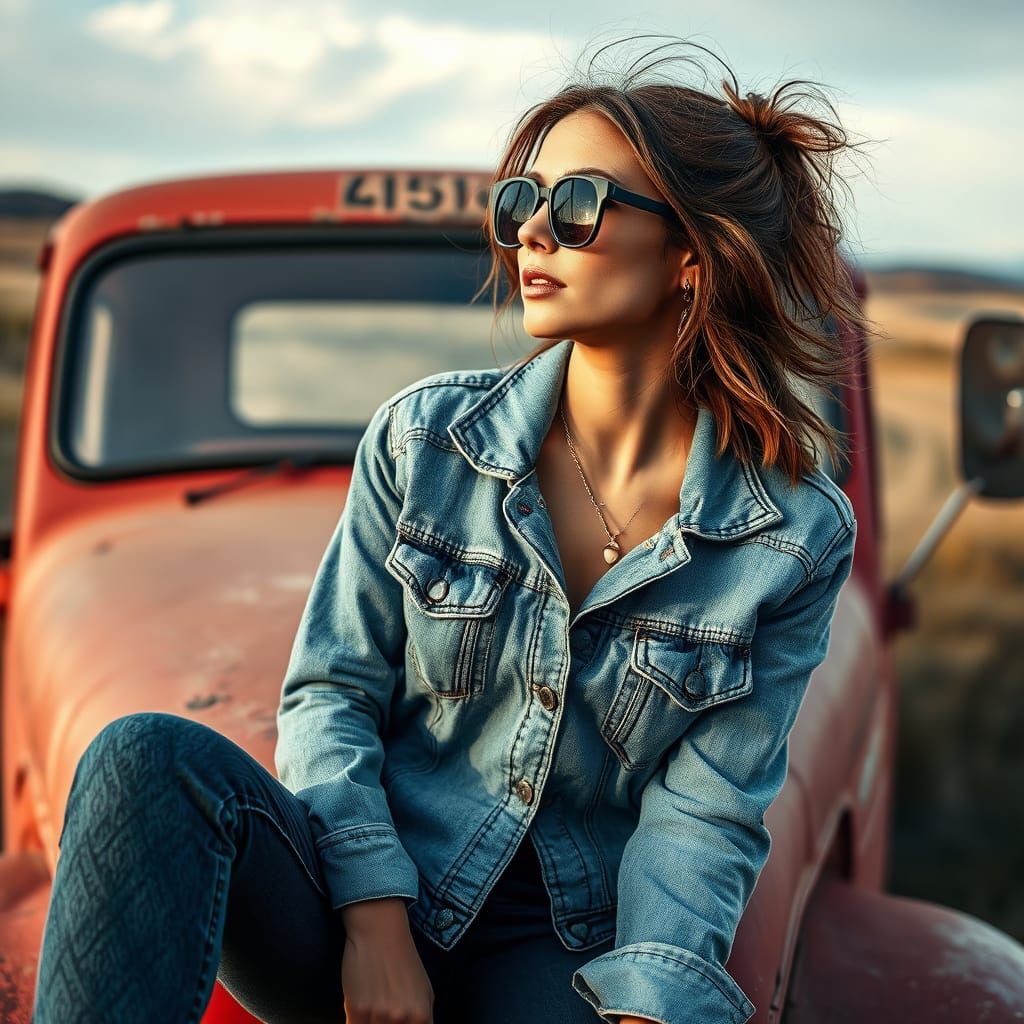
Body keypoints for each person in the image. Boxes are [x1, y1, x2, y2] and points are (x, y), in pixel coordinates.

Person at [33, 35, 869, 1024]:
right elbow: (332, 692)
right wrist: (377, 932)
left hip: (560, 948)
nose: (531, 235)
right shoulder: (423, 439)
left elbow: (706, 810)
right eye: (520, 202)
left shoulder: (790, 533)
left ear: (690, 253)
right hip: (357, 897)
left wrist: (647, 1002)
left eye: (576, 207)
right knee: (141, 761)